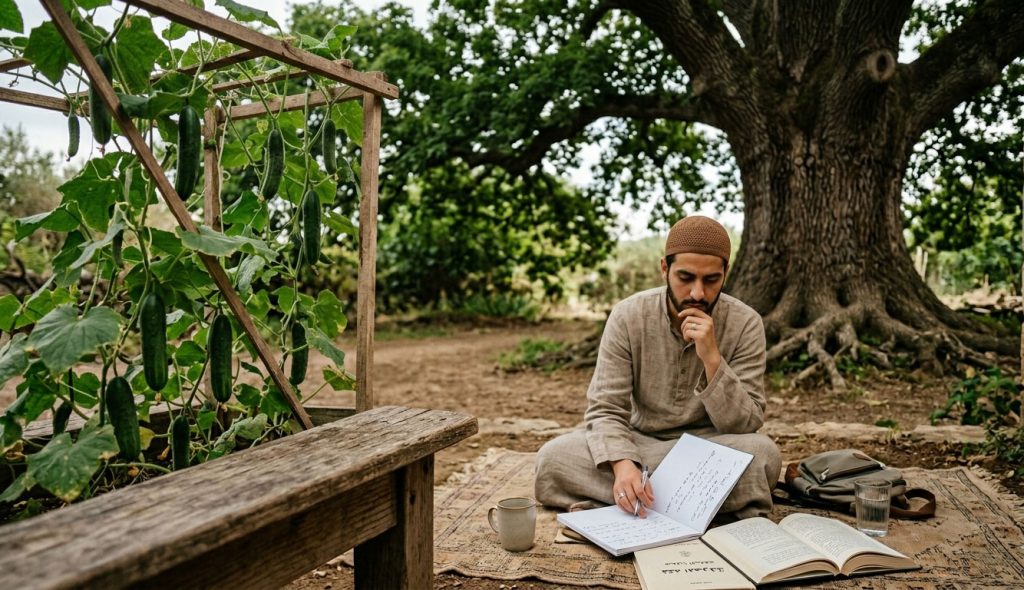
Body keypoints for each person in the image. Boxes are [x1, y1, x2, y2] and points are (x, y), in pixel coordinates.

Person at [534, 215, 781, 520]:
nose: (698, 294)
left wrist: (712, 359)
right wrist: (623, 463)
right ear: (664, 268)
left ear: (726, 273)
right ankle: (689, 502)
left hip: (710, 450)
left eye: (711, 280)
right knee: (552, 459)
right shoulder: (628, 316)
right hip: (639, 444)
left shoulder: (746, 323)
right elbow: (606, 409)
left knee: (763, 455)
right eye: (686, 277)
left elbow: (745, 425)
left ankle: (636, 500)